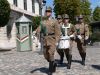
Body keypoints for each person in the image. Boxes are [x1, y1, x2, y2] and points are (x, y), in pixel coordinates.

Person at [36, 6, 59, 75]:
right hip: (45, 40)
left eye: (48, 11)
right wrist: (37, 33)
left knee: (50, 53)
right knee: (46, 55)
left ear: (51, 12)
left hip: (52, 39)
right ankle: (54, 63)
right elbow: (39, 29)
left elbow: (58, 32)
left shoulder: (54, 21)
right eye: (46, 11)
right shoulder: (43, 22)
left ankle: (50, 70)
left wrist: (57, 41)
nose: (47, 12)